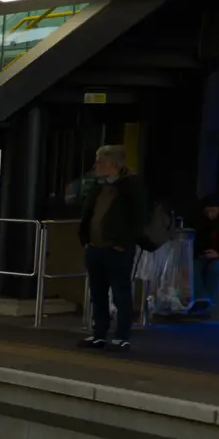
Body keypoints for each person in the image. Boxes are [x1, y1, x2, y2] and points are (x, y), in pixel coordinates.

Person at [77, 144, 148, 351]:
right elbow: (89, 212)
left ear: (113, 164)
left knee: (120, 293)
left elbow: (138, 218)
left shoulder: (131, 186)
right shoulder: (99, 185)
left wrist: (122, 244)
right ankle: (99, 333)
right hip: (95, 247)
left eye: (100, 162)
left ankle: (122, 335)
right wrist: (86, 239)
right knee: (98, 294)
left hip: (117, 249)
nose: (96, 166)